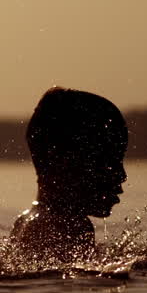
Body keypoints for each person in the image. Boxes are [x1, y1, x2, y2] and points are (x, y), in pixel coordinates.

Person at [9, 88, 128, 259]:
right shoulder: (68, 226)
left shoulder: (28, 219)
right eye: (109, 162)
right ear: (65, 162)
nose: (122, 175)